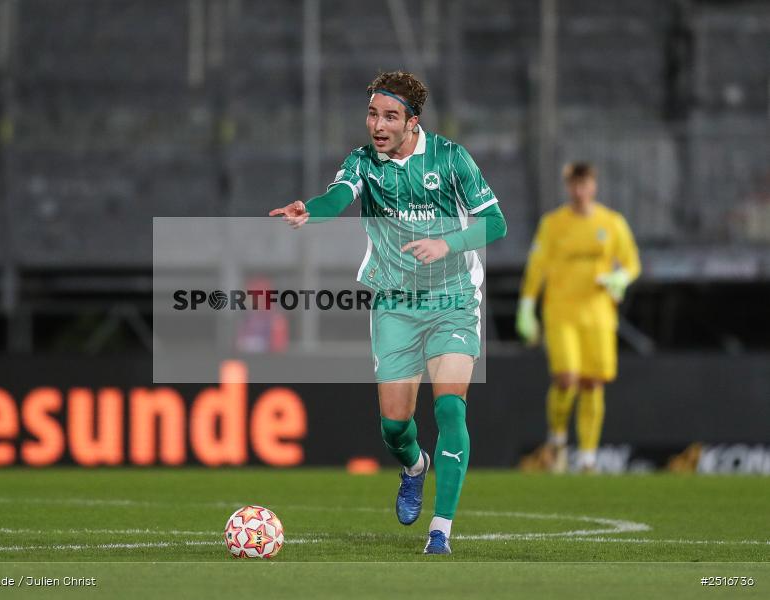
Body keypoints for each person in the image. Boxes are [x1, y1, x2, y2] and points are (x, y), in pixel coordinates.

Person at [270, 71, 507, 554]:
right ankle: (414, 467)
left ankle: (440, 531)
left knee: (448, 407)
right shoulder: (363, 162)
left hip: (453, 299)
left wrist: (448, 243)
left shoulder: (450, 158)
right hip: (395, 300)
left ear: (413, 122)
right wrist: (310, 211)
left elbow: (496, 223)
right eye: (373, 114)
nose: (378, 125)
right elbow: (338, 195)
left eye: (390, 116)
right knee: (395, 426)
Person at [516, 162, 640, 473]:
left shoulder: (611, 223)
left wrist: (621, 279)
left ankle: (587, 459)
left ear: (593, 186)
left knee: (592, 383)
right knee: (567, 378)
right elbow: (537, 266)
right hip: (561, 313)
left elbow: (631, 262)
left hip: (598, 315)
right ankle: (557, 440)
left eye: (584, 184)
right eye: (574, 184)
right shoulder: (554, 223)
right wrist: (527, 306)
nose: (580, 190)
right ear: (568, 187)